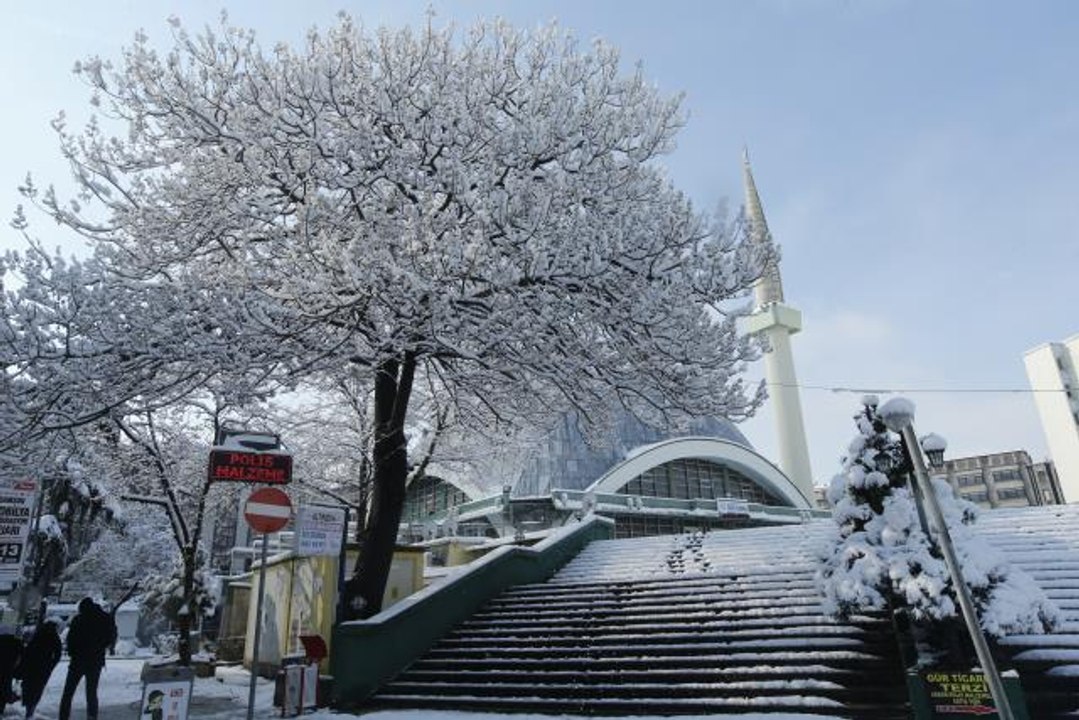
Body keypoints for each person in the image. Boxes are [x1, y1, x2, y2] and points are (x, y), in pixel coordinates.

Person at [58, 598, 116, 720]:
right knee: (91, 693)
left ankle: (63, 717)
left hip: (77, 661)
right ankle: (92, 717)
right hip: (95, 661)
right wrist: (100, 648)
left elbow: (71, 639)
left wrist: (72, 652)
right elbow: (111, 637)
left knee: (68, 692)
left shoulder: (79, 619)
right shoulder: (105, 619)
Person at [20, 619, 62, 719]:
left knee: (29, 685)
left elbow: (28, 650)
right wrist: (51, 665)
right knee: (38, 687)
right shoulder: (54, 637)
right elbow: (58, 654)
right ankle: (31, 708)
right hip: (44, 667)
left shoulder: (38, 635)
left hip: (32, 665)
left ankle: (27, 705)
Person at [0, 624, 22, 714]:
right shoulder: (16, 640)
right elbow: (19, 655)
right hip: (8, 667)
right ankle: (1, 707)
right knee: (5, 686)